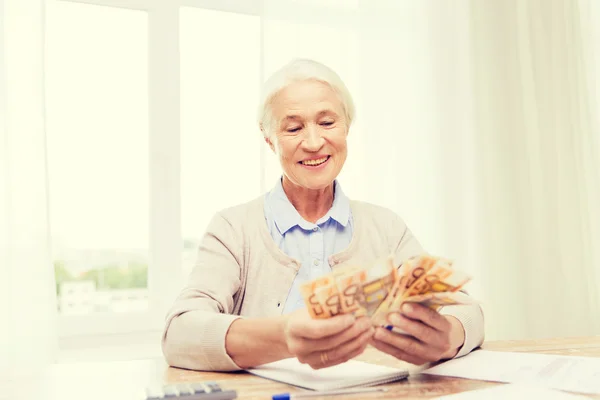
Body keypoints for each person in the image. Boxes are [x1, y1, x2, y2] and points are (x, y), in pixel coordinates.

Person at [161, 59, 484, 372]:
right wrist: (285, 335)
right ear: (268, 137)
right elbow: (179, 333)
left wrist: (448, 338)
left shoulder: (385, 227)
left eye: (327, 123)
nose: (314, 142)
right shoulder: (233, 228)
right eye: (293, 127)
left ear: (347, 126)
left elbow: (468, 312)